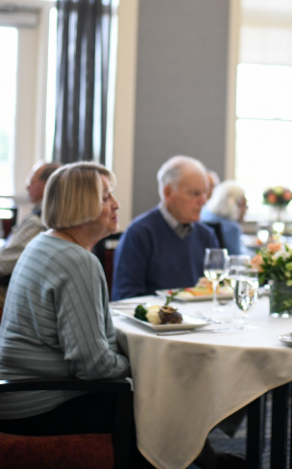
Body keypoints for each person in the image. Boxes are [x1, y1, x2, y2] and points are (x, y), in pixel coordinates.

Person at [0, 162, 132, 439]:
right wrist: (139, 364)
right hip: (39, 405)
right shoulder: (77, 261)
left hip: (14, 396)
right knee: (153, 403)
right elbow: (94, 367)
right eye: (106, 197)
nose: (117, 204)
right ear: (81, 205)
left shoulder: (43, 243)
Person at [111, 156, 219, 300]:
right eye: (195, 194)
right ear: (168, 193)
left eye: (205, 192)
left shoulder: (206, 235)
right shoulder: (140, 233)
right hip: (159, 320)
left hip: (202, 319)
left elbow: (219, 290)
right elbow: (125, 296)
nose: (203, 201)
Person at [0, 162, 61, 310]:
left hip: (13, 292)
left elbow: (3, 264)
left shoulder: (39, 221)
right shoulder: (51, 216)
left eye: (31, 182)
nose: (27, 187)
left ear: (47, 184)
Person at [200, 180, 249, 255]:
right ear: (232, 205)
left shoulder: (204, 215)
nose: (246, 209)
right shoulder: (232, 228)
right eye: (243, 205)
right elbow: (237, 258)